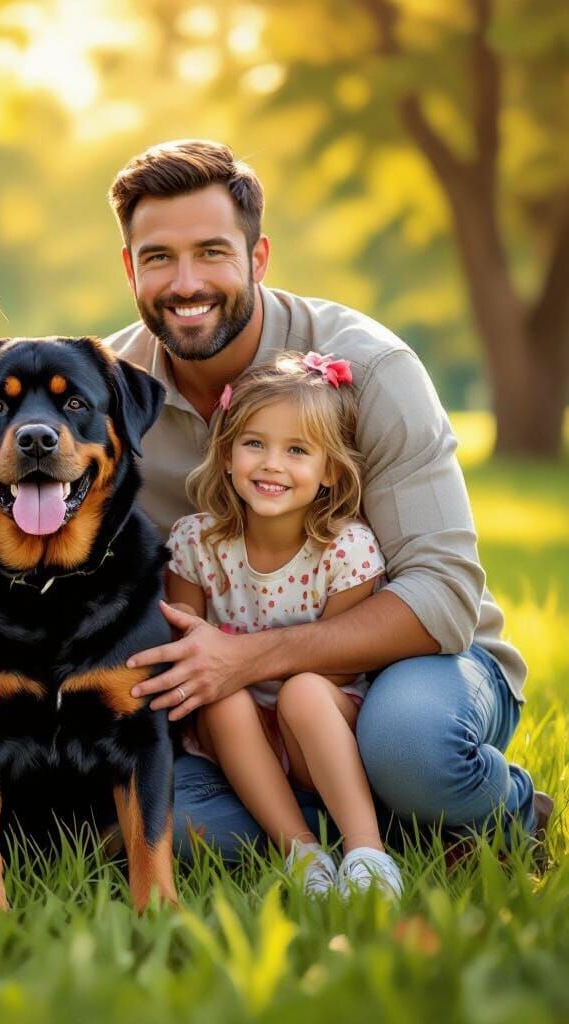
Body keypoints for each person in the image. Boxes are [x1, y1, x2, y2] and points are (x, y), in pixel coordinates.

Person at [103, 139, 545, 859]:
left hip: (404, 676)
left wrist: (251, 659)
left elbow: (445, 597)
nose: (185, 282)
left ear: (258, 257)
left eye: (212, 252)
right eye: (158, 258)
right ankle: (359, 829)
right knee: (168, 827)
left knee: (412, 749)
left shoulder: (370, 367)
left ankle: (498, 807)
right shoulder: (106, 393)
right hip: (227, 709)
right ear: (130, 267)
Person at [167, 351, 401, 897]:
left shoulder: (346, 551)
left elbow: (341, 665)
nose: (272, 464)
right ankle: (301, 852)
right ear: (226, 455)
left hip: (319, 729)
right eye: (255, 444)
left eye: (297, 450)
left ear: (330, 471)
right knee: (219, 696)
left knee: (302, 691)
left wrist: (264, 676)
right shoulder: (196, 544)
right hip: (234, 737)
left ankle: (367, 852)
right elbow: (186, 652)